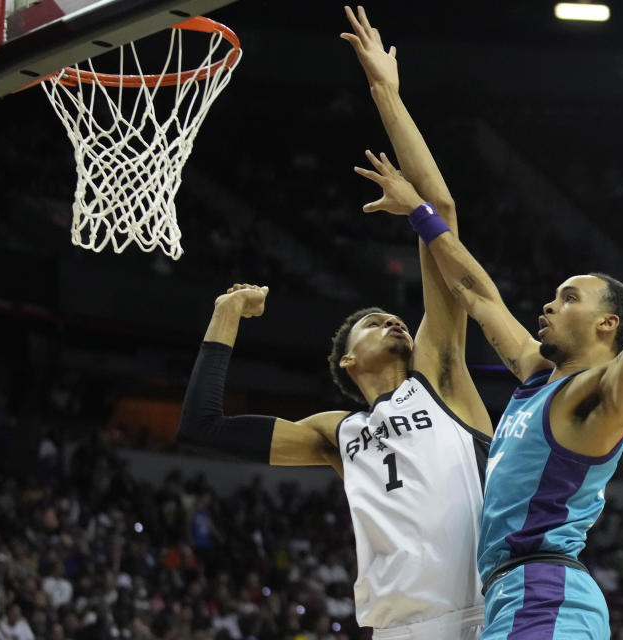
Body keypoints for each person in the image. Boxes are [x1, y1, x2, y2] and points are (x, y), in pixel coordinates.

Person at [176, 7, 491, 638]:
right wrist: (223, 317)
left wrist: (387, 94)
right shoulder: (335, 434)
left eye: (393, 316)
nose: (394, 320)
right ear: (348, 361)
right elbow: (202, 427)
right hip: (396, 628)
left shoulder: (439, 375)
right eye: (373, 323)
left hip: (483, 614)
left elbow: (445, 213)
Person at [354, 142, 623, 637]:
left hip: (545, 597)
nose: (547, 306)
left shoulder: (599, 397)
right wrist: (420, 213)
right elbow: (476, 293)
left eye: (568, 298)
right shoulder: (539, 378)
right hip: (514, 596)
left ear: (608, 324)